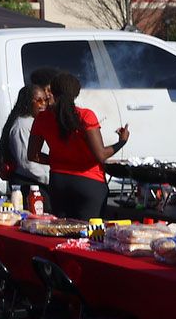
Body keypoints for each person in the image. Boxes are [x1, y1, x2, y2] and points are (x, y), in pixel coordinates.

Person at [28, 72, 129, 219]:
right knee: (89, 236)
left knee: (61, 233)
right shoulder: (85, 115)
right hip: (89, 182)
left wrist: (57, 160)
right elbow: (100, 155)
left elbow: (32, 155)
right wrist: (122, 142)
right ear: (76, 93)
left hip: (59, 181)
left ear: (52, 91)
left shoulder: (43, 117)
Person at [0, 84, 51, 195]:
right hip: (30, 186)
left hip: (39, 184)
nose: (43, 104)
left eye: (45, 100)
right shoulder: (22, 125)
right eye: (39, 101)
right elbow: (27, 163)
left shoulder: (34, 122)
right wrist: (50, 179)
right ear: (28, 102)